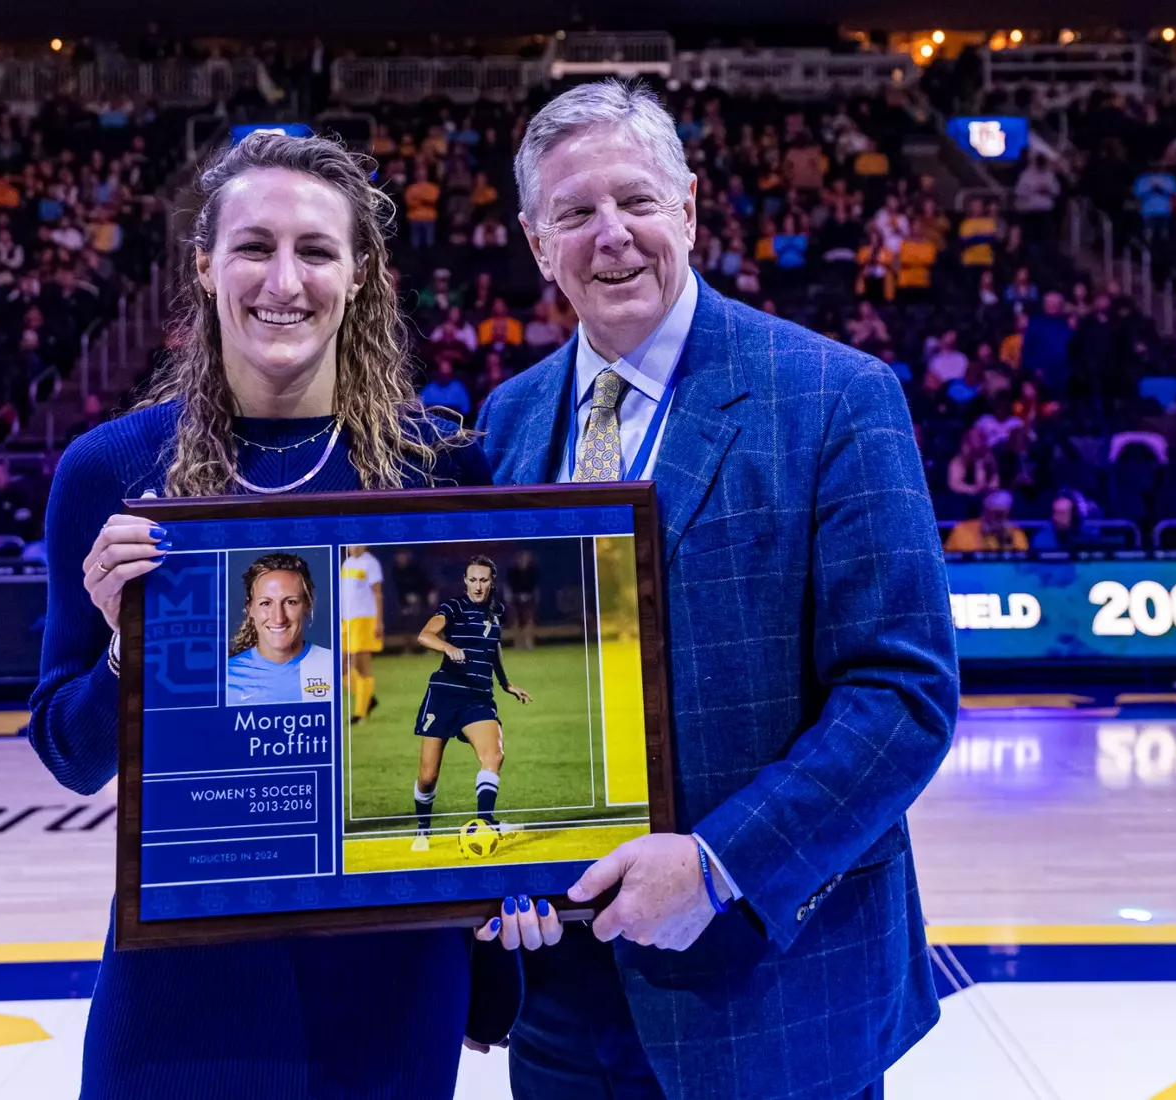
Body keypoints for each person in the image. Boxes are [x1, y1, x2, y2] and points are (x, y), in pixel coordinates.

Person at [474, 80, 957, 1100]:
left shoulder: (836, 395)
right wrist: (479, 863)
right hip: (562, 1000)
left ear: (689, 206)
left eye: (637, 201)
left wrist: (715, 862)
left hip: (770, 984)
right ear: (534, 239)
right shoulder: (507, 422)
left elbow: (902, 696)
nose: (612, 235)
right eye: (575, 212)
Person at [27, 130, 507, 1099]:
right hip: (185, 983)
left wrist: (521, 887)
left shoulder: (439, 467)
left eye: (316, 250)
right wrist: (126, 652)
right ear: (204, 266)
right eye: (253, 246)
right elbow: (69, 753)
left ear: (362, 273)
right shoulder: (111, 471)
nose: (282, 280)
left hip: (390, 982)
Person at [411, 555, 531, 851]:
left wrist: (505, 683)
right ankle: (423, 830)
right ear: (465, 581)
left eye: (484, 580)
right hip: (445, 695)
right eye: (473, 580)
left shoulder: (497, 611)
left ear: (493, 581)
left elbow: (493, 647)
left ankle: (485, 824)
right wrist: (448, 646)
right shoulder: (453, 607)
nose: (478, 586)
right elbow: (425, 635)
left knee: (494, 755)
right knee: (427, 776)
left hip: (478, 697)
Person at [226, 552, 336, 705]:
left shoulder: (334, 667)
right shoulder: (225, 679)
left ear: (308, 604)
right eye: (266, 603)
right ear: (250, 608)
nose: (279, 618)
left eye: (291, 602)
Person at [340, 543, 385, 720]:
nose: (353, 547)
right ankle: (367, 697)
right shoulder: (347, 564)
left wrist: (378, 621)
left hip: (365, 619)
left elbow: (377, 594)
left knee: (360, 664)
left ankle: (359, 713)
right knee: (341, 666)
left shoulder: (370, 563)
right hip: (347, 620)